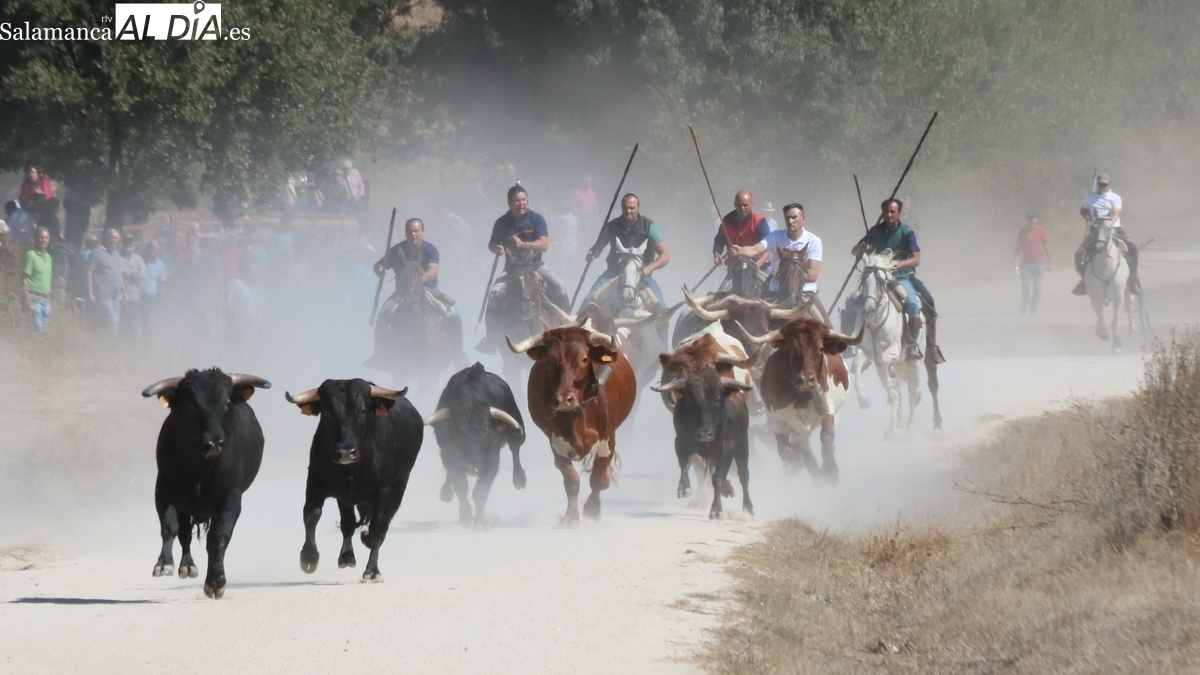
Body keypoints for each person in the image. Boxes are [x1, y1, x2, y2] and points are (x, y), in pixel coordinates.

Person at [848, 199, 926, 361]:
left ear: (899, 213)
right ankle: (847, 342)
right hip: (875, 278)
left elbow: (916, 259)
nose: (889, 215)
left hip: (899, 277)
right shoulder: (874, 231)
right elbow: (854, 251)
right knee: (850, 300)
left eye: (892, 212)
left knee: (912, 303)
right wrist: (862, 248)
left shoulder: (906, 233)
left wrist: (900, 263)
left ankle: (911, 344)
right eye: (886, 212)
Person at [581, 193, 671, 311]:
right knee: (588, 303)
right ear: (622, 208)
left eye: (632, 208)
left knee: (663, 310)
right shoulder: (612, 226)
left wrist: (648, 269)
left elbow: (665, 256)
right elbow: (598, 247)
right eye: (625, 208)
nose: (628, 211)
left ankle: (662, 328)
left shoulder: (649, 227)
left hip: (642, 277)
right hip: (613, 274)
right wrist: (593, 254)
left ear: (638, 208)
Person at [729, 202, 822, 303]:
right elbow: (754, 250)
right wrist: (739, 250)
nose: (790, 221)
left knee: (822, 319)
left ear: (803, 219)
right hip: (775, 293)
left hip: (805, 293)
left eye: (794, 217)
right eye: (787, 218)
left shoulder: (814, 241)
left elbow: (813, 275)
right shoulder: (775, 236)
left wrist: (783, 276)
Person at [1074, 172, 1139, 295]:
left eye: (1104, 185)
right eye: (1099, 184)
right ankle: (1084, 282)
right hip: (1095, 229)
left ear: (1109, 184)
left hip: (1114, 228)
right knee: (1080, 253)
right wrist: (1086, 217)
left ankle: (1132, 280)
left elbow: (1115, 213)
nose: (1102, 187)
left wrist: (1108, 225)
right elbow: (1083, 210)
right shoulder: (1090, 196)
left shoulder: (1115, 198)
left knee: (1133, 248)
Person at [713, 190, 771, 289]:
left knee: (776, 294)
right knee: (719, 296)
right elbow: (718, 243)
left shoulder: (759, 223)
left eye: (745, 205)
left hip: (760, 268)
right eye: (739, 205)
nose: (742, 208)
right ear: (735, 205)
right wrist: (717, 255)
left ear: (752, 204)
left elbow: (769, 249)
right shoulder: (726, 222)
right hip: (735, 270)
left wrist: (757, 265)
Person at [87, 228, 126, 336]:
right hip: (103, 294)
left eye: (116, 238)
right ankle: (108, 344)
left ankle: (109, 345)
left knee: (116, 321)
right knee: (113, 320)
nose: (113, 240)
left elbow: (119, 274)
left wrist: (125, 292)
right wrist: (90, 293)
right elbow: (90, 272)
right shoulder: (97, 253)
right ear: (106, 238)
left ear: (119, 241)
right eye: (111, 238)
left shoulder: (117, 255)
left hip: (116, 295)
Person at [1014, 212, 1050, 316]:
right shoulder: (1022, 232)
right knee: (1025, 285)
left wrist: (1050, 262)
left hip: (1039, 263)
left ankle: (1033, 308)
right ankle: (1025, 303)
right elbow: (1018, 247)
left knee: (1037, 288)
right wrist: (1016, 259)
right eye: (1030, 220)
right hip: (1026, 264)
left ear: (1037, 220)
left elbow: (1046, 247)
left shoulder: (1042, 231)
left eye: (1033, 220)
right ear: (1027, 221)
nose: (1032, 222)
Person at [22, 227, 53, 339]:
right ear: (35, 238)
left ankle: (39, 353)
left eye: (46, 237)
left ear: (49, 239)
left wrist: (49, 303)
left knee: (43, 331)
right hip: (34, 297)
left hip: (45, 299)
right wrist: (28, 301)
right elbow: (24, 279)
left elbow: (47, 281)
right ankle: (34, 354)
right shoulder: (31, 255)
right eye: (40, 237)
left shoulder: (49, 257)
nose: (43, 240)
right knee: (37, 329)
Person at [120, 234, 147, 341]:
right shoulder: (117, 257)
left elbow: (143, 276)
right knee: (121, 325)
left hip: (135, 297)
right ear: (123, 243)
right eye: (126, 242)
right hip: (121, 296)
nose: (129, 244)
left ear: (134, 244)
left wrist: (127, 272)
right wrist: (135, 271)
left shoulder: (138, 258)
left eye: (130, 242)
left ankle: (132, 349)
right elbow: (118, 273)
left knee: (134, 326)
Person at [140, 239, 166, 345]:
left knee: (148, 324)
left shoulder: (160, 265)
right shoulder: (138, 260)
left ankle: (147, 347)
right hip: (136, 298)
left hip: (151, 299)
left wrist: (161, 306)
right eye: (150, 247)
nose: (152, 249)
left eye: (155, 247)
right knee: (135, 323)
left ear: (158, 250)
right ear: (146, 248)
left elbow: (161, 285)